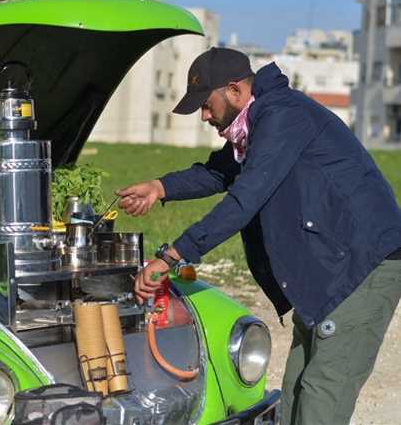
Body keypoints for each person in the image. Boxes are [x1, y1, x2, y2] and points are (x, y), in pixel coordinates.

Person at [118, 47, 401, 425]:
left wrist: (171, 256)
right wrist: (160, 187)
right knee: (296, 393)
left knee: (321, 395)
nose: (204, 115)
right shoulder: (257, 125)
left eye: (207, 104)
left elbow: (245, 199)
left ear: (234, 90)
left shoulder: (283, 116)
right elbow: (219, 172)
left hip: (362, 264)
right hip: (329, 264)